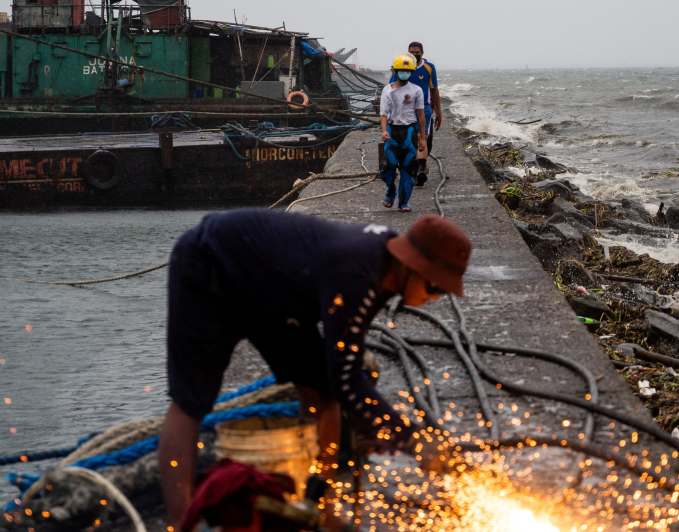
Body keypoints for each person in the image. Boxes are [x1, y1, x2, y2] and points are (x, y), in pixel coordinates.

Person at [158, 209, 471, 530]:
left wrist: (375, 426)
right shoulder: (357, 274)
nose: (435, 298)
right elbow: (346, 381)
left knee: (321, 392)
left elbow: (342, 371)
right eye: (436, 287)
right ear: (411, 265)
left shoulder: (383, 272)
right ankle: (179, 521)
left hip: (271, 292)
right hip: (212, 265)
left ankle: (322, 507)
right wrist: (414, 441)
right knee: (190, 402)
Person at [389, 42, 442, 187]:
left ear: (422, 53)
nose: (415, 54)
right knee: (407, 141)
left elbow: (435, 90)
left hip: (424, 109)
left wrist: (439, 112)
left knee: (424, 139)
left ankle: (420, 169)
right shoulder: (402, 68)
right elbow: (391, 89)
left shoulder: (429, 68)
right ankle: (416, 169)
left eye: (417, 52)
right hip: (404, 110)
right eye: (412, 52)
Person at [380, 53, 427, 213]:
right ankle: (390, 190)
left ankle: (404, 202)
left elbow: (420, 114)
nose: (404, 74)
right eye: (401, 70)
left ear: (412, 72)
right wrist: (384, 130)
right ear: (395, 71)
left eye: (407, 71)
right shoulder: (387, 90)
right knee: (387, 168)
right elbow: (384, 113)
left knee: (408, 169)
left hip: (409, 132)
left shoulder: (416, 90)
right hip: (392, 132)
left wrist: (422, 137)